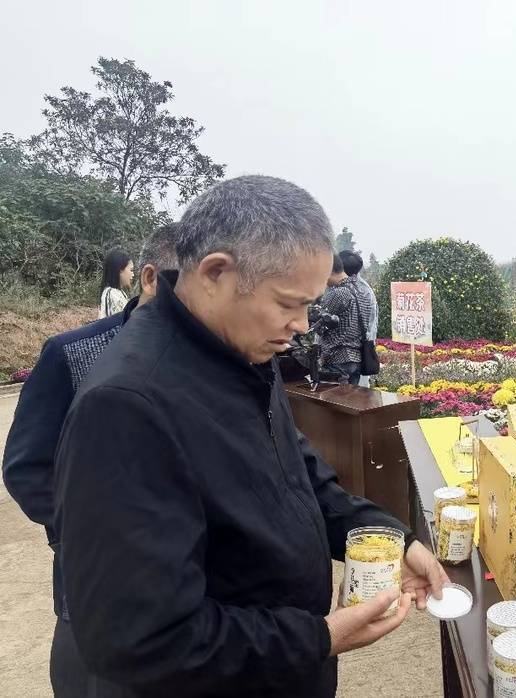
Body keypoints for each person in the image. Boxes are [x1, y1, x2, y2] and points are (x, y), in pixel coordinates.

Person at [53, 175, 447, 697]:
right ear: (217, 272)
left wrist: (394, 535)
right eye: (288, 303)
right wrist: (317, 638)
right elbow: (140, 638)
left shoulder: (242, 352)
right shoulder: (129, 405)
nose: (302, 325)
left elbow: (299, 478)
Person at [2, 223, 179, 697]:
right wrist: (89, 529)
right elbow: (25, 466)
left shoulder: (215, 359)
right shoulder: (73, 353)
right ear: (149, 279)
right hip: (95, 576)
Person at [312, 252, 367, 385]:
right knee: (351, 402)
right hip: (356, 357)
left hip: (337, 358)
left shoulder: (338, 293)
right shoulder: (362, 289)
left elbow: (319, 324)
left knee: (334, 403)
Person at [339, 249, 379, 386]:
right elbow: (372, 323)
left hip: (343, 356)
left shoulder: (340, 291)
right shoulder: (366, 290)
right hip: (362, 351)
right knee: (357, 397)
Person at [98, 247, 134, 318]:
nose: (133, 274)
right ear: (120, 270)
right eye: (131, 270)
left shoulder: (117, 292)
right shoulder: (112, 294)